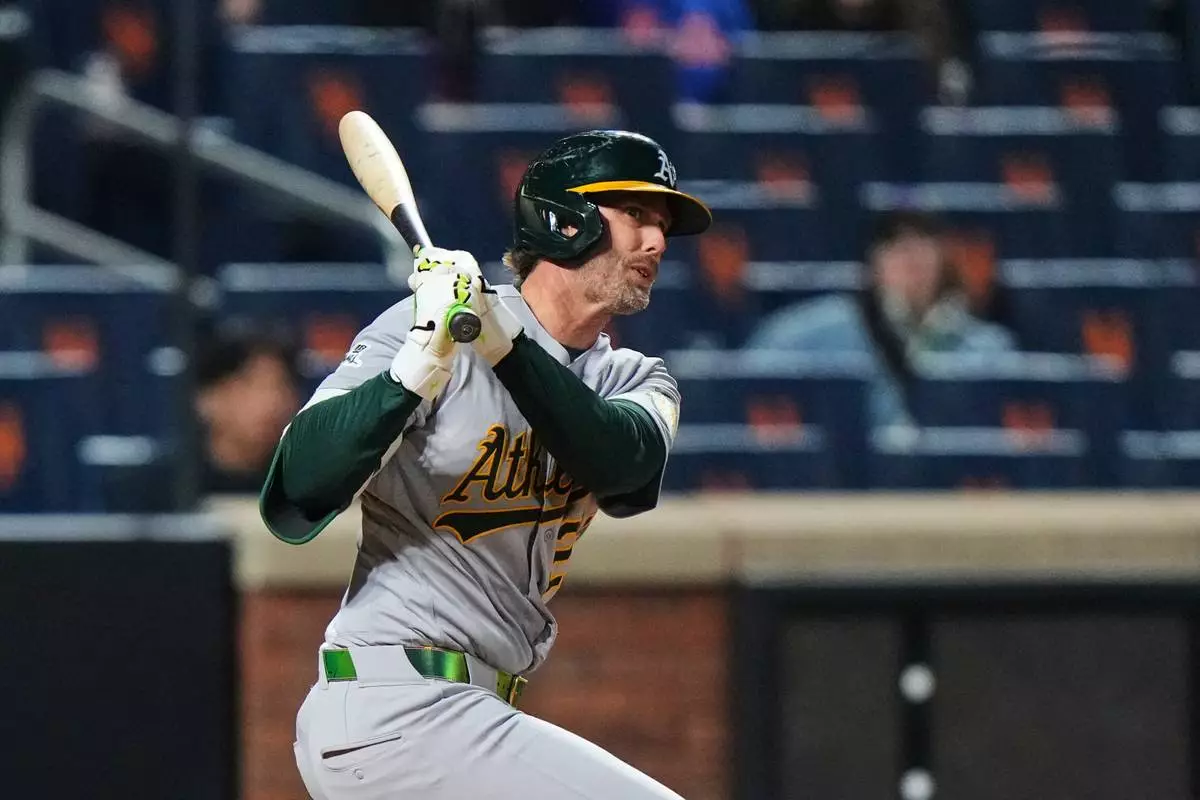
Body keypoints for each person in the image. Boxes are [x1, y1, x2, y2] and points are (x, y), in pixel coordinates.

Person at [259, 130, 711, 799]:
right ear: (565, 219)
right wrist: (412, 371)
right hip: (397, 705)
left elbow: (624, 469)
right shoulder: (428, 325)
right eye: (636, 215)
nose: (656, 242)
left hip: (468, 716)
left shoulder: (634, 378)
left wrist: (503, 341)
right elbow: (297, 488)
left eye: (663, 225)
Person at [744, 210, 1015, 427]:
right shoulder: (810, 332)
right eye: (894, 242)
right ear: (872, 261)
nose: (912, 254)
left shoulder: (986, 346)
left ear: (944, 258)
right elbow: (750, 386)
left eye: (925, 240)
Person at [195, 322, 302, 494]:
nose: (274, 402)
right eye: (253, 385)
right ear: (209, 398)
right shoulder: (174, 490)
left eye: (283, 385)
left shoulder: (308, 488)